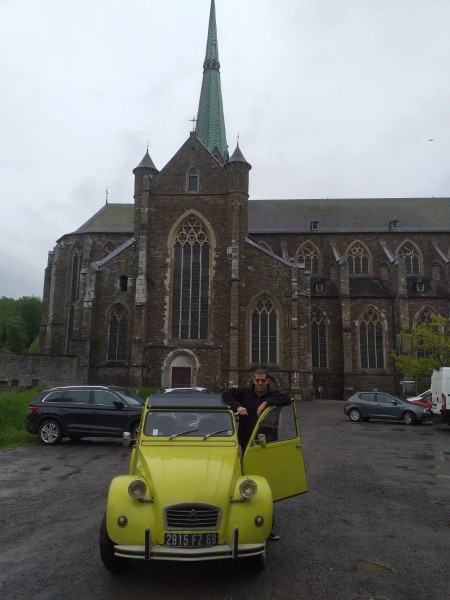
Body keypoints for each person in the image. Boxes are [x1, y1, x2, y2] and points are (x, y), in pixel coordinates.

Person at [222, 369, 291, 540]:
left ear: (267, 381)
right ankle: (245, 522)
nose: (260, 383)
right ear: (253, 380)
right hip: (247, 443)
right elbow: (226, 394)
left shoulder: (273, 393)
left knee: (267, 486)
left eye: (263, 381)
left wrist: (266, 403)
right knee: (247, 483)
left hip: (266, 444)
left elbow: (287, 399)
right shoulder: (244, 393)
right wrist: (238, 406)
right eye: (257, 380)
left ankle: (268, 527)